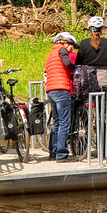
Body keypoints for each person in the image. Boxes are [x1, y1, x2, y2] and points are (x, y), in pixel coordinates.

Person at [71, 15, 107, 121]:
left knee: (86, 100)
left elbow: (78, 62)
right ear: (102, 29)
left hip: (87, 77)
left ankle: (86, 126)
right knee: (102, 103)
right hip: (103, 76)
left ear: (89, 29)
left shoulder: (84, 43)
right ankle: (103, 127)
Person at [45, 31, 81, 162]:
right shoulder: (61, 49)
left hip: (51, 90)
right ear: (65, 42)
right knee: (64, 123)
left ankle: (53, 153)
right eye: (71, 46)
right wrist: (77, 68)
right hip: (62, 89)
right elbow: (67, 63)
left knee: (57, 122)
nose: (72, 49)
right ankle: (62, 154)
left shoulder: (50, 54)